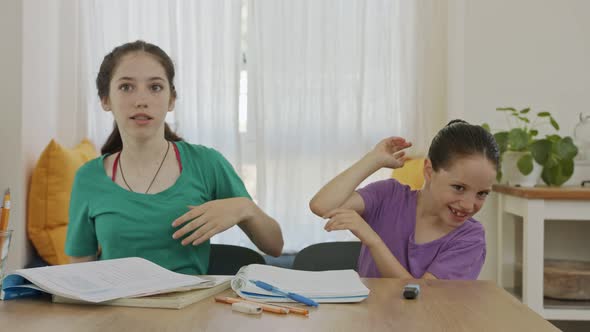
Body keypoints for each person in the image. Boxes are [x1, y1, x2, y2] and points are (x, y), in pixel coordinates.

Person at [65, 40, 283, 274]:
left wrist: (244, 208)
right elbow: (79, 274)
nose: (141, 100)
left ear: (171, 100)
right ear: (105, 99)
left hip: (191, 309)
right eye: (126, 87)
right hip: (115, 308)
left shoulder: (207, 163)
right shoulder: (88, 178)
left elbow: (274, 246)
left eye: (155, 87)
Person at [309, 120, 499, 279]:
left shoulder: (470, 238)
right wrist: (373, 159)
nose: (468, 205)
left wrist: (373, 241)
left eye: (482, 193)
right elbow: (322, 205)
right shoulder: (389, 196)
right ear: (429, 171)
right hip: (368, 320)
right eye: (459, 188)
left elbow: (421, 301)